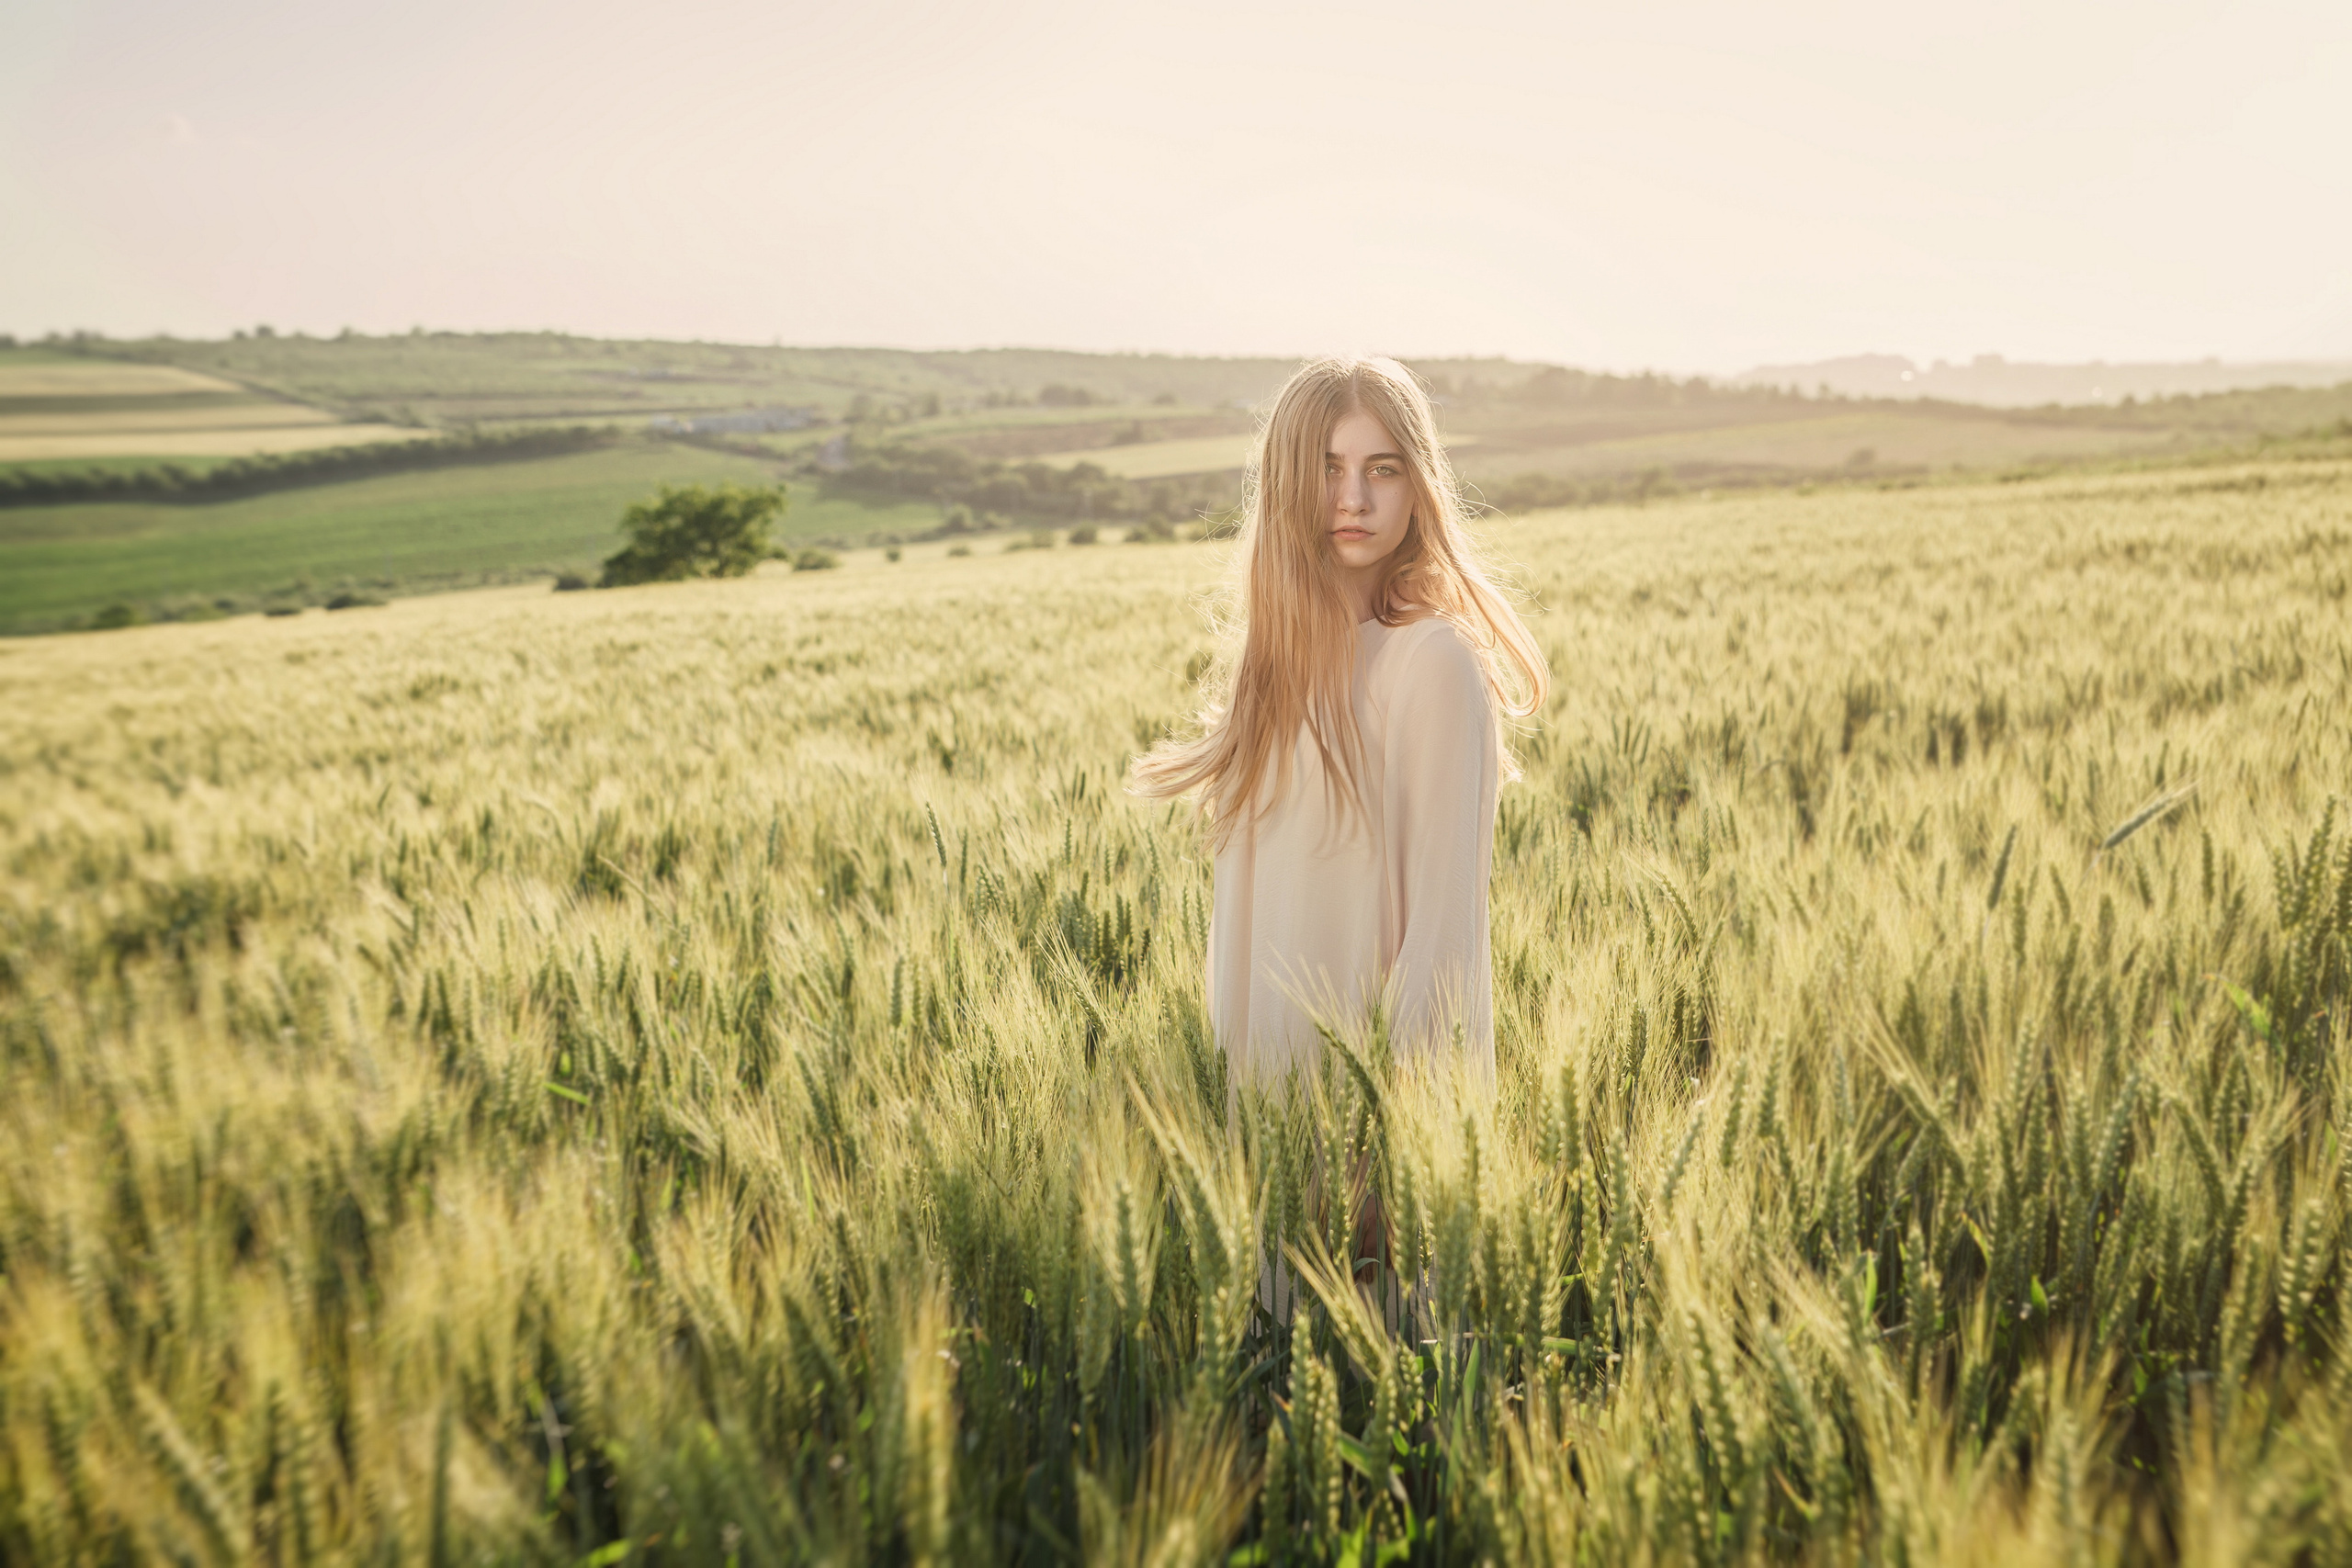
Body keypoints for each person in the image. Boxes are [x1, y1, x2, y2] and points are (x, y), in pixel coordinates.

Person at [1131, 356, 1548, 1087]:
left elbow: (1442, 938)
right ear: (1286, 484)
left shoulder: (1432, 662)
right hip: (1269, 1130)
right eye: (1327, 468)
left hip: (1370, 1132)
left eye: (1382, 469)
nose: (1352, 497)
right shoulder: (1274, 673)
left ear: (1419, 487)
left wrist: (1383, 1140)